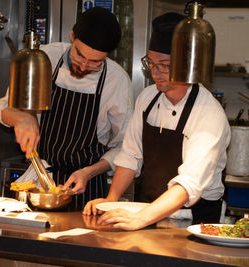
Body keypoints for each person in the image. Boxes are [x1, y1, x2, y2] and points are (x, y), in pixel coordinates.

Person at [83, 12, 231, 230]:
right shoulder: (148, 98)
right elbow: (130, 156)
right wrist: (111, 200)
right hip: (148, 214)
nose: (156, 73)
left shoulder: (209, 114)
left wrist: (141, 219)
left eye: (165, 65)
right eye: (151, 63)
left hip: (196, 223)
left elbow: (188, 184)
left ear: (186, 62)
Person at [0, 7, 133, 211]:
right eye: (79, 55)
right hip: (40, 184)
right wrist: (21, 118)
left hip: (88, 189)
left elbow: (124, 147)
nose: (84, 66)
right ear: (72, 37)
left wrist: (89, 172)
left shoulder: (117, 80)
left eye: (95, 62)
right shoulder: (44, 58)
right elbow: (3, 107)